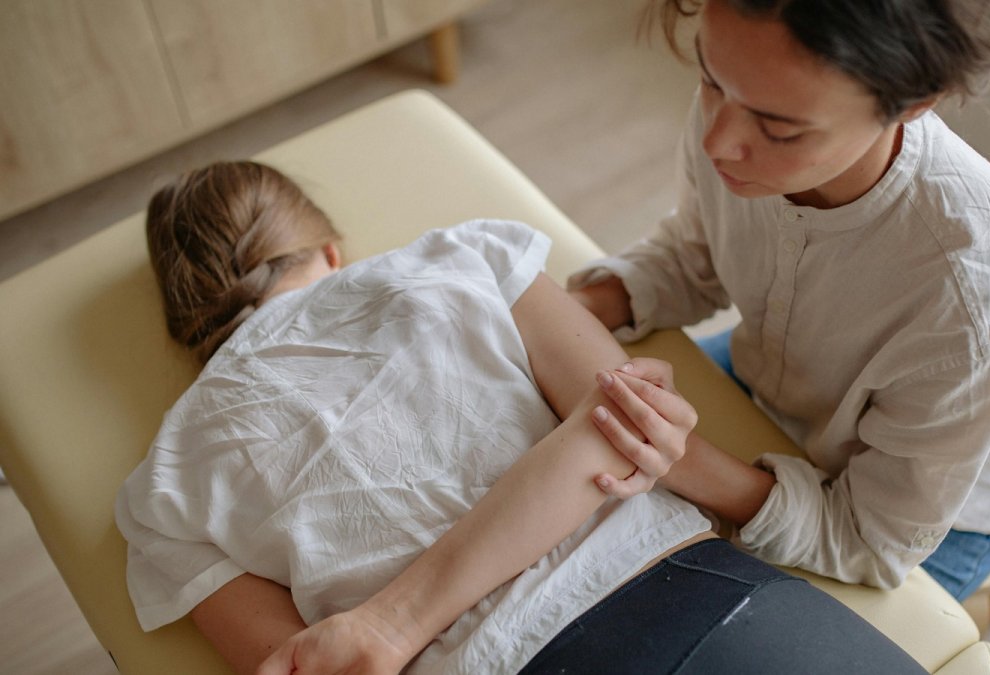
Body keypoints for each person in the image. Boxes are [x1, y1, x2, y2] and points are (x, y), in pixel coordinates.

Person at [115, 161, 925, 674]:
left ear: (190, 326)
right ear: (330, 249)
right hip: (677, 583)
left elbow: (309, 667)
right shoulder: (462, 258)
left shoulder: (160, 493)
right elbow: (626, 426)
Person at [570, 0, 990, 600]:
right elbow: (694, 256)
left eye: (778, 129)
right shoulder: (748, 91)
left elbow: (869, 539)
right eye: (709, 78)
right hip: (784, 382)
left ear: (913, 105)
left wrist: (680, 461)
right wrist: (578, 307)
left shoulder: (972, 302)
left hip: (925, 520)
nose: (718, 140)